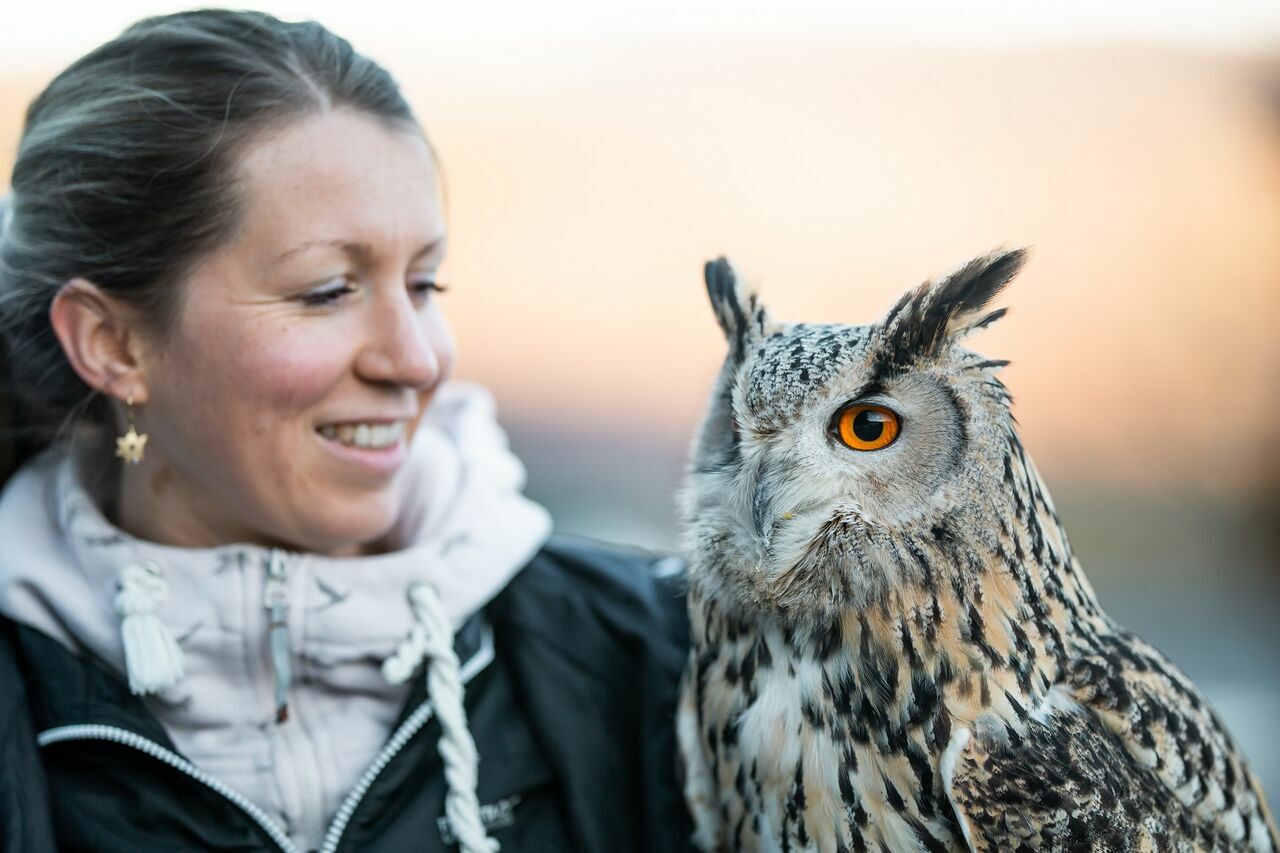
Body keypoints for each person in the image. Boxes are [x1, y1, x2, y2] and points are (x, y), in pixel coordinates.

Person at [0, 10, 692, 852]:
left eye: (425, 284)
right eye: (328, 290)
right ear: (113, 344)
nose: (416, 359)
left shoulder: (664, 660)